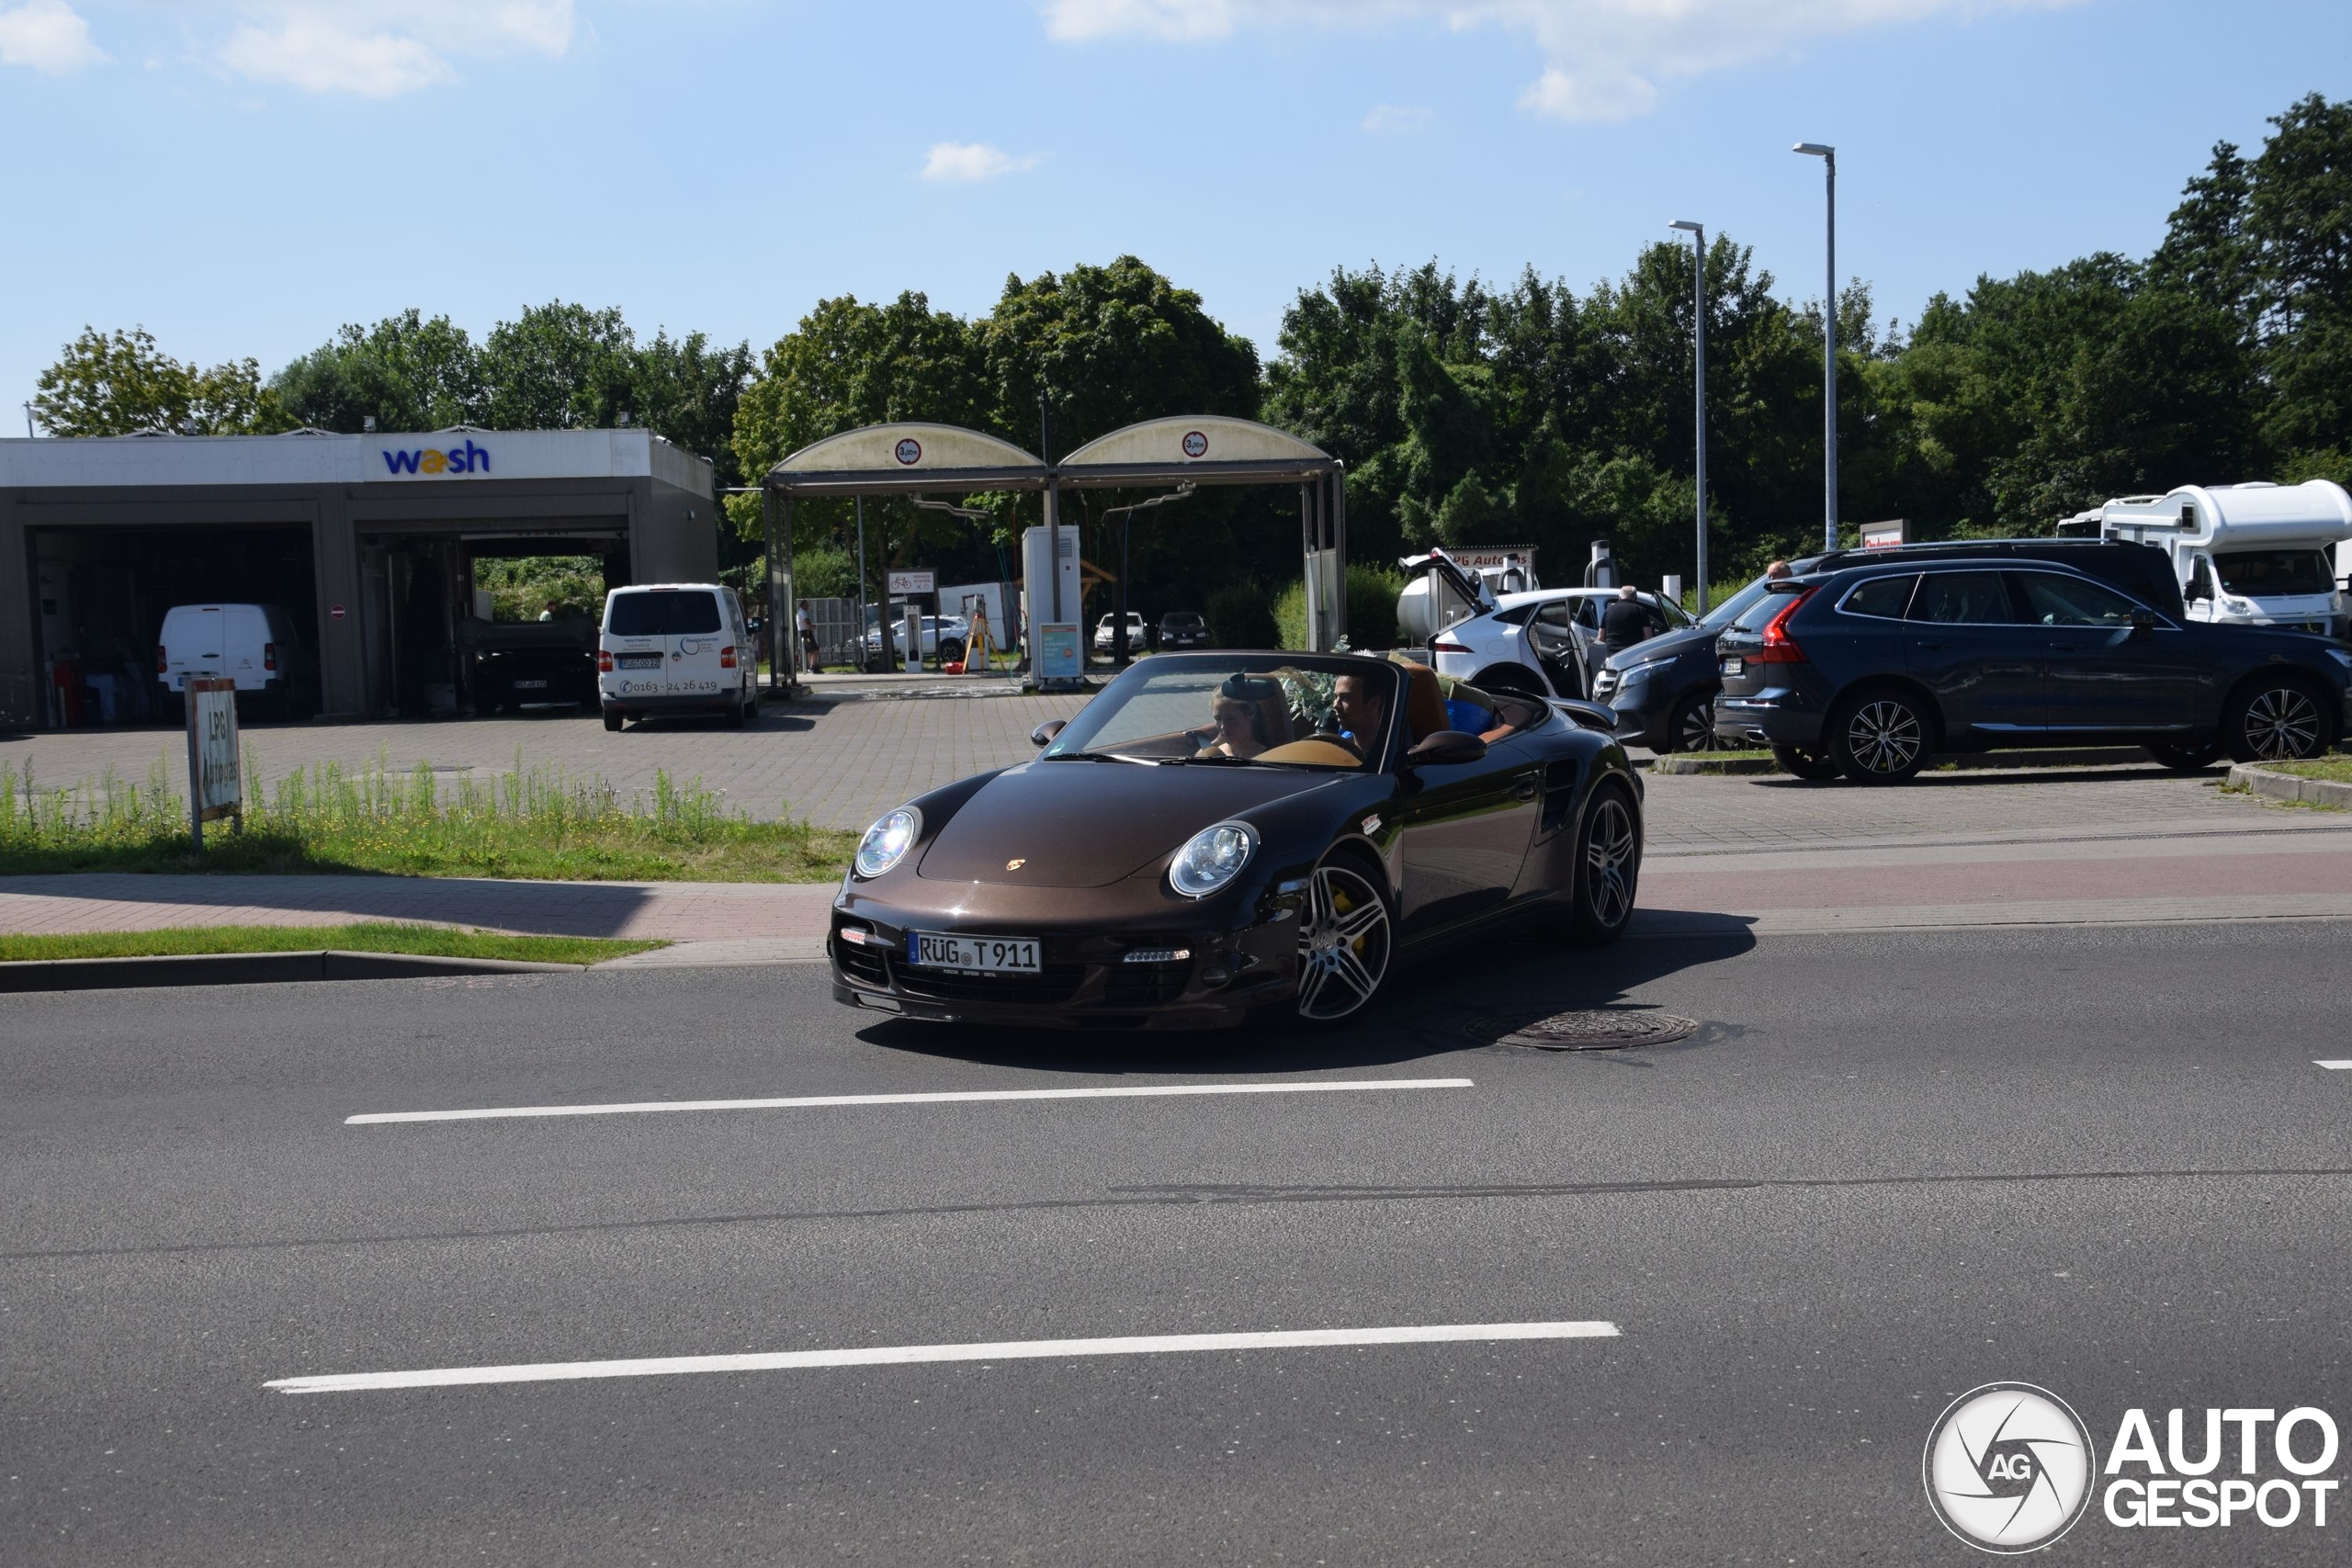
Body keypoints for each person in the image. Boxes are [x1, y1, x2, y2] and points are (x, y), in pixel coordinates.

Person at [1198, 673, 1292, 759]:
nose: (1223, 726)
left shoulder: (1267, 757)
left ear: (1249, 714)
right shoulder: (1213, 752)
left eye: (1231, 719)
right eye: (1218, 719)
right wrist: (1216, 743)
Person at [1332, 670, 1388, 760]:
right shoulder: (1339, 749)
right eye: (1335, 697)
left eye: (1346, 698)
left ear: (1373, 704)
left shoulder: (1392, 756)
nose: (1335, 705)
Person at [1597, 584, 1658, 651]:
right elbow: (1648, 637)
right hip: (1632, 653)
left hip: (1612, 654)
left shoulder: (1608, 611)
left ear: (1619, 597)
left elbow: (1600, 637)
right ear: (1636, 599)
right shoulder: (1640, 611)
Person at [796, 599, 820, 673]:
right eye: (807, 605)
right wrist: (812, 626)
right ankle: (812, 667)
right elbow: (806, 623)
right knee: (815, 650)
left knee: (810, 651)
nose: (808, 607)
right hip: (806, 634)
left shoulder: (800, 612)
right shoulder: (803, 613)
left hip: (805, 633)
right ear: (803, 605)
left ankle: (812, 666)